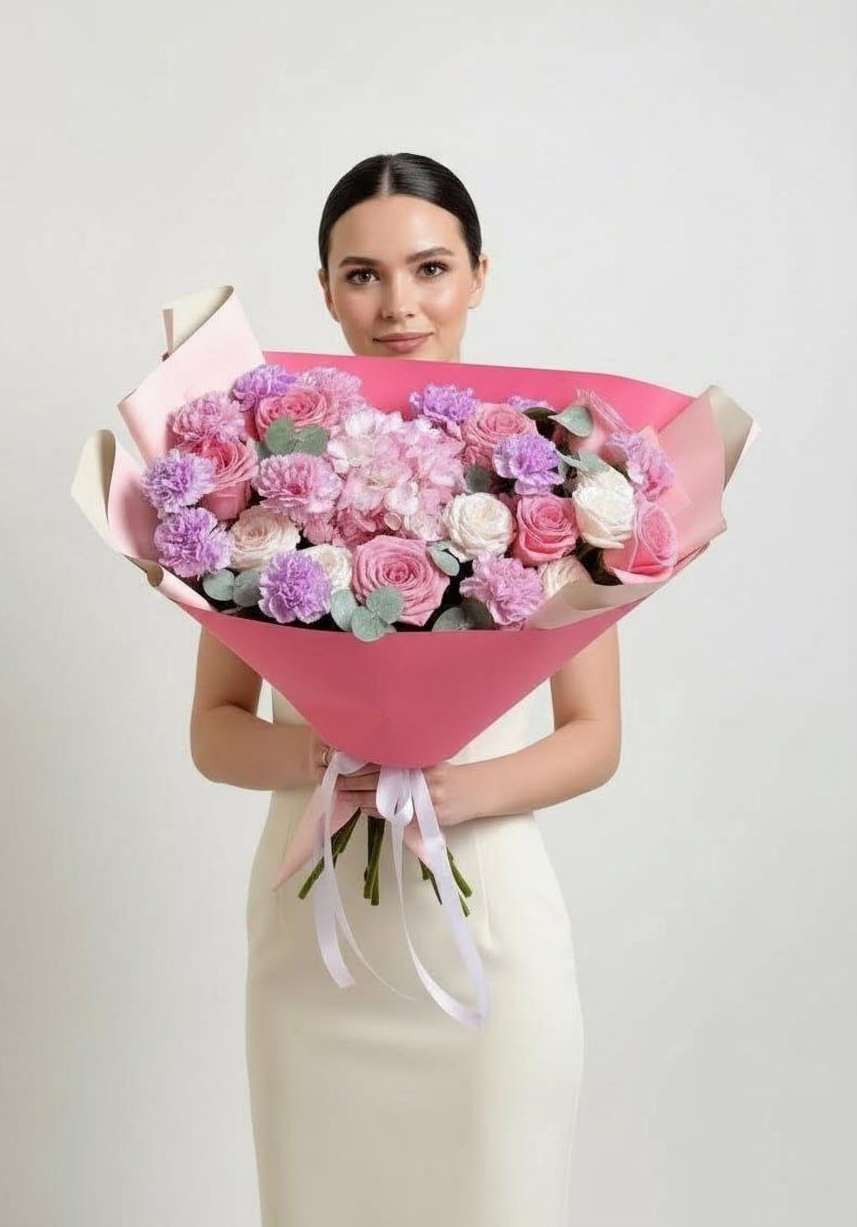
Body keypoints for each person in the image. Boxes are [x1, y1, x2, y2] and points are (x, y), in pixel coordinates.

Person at [189, 152, 622, 1226]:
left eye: (430, 268)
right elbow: (214, 731)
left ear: (479, 275)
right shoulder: (261, 477)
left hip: (487, 938)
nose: (399, 305)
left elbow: (594, 735)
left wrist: (453, 786)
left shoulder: (554, 473)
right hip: (312, 936)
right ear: (326, 289)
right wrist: (327, 754)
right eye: (363, 275)